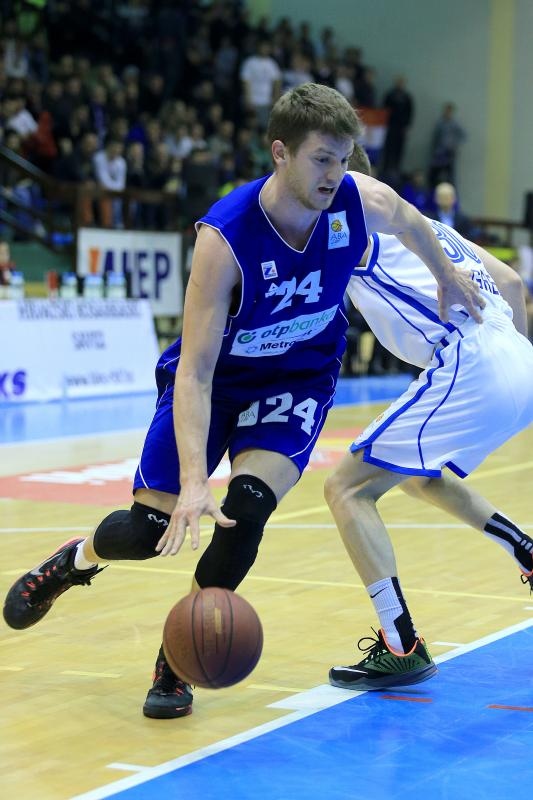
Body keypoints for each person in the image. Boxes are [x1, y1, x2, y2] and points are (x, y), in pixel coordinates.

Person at [3, 83, 484, 720]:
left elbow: (408, 218)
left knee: (245, 511)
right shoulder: (224, 237)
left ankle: (176, 660)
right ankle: (76, 560)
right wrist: (196, 481)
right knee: (150, 531)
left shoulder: (356, 198)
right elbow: (196, 372)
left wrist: (448, 275)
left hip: (297, 379)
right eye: (321, 159)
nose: (334, 174)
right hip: (219, 382)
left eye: (343, 159)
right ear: (280, 153)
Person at [325, 145, 533, 692]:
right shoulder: (438, 231)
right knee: (417, 477)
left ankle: (402, 645)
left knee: (346, 491)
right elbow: (512, 283)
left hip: (471, 359)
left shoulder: (354, 221)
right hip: (517, 356)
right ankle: (527, 550)